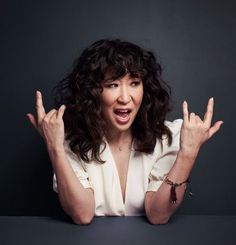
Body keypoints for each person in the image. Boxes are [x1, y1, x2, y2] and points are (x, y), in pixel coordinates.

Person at [26, 38, 223, 225]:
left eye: (134, 83)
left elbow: (158, 215)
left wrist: (187, 154)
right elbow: (82, 214)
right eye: (113, 85)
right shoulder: (70, 140)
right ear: (93, 92)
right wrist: (55, 148)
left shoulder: (167, 138)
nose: (125, 97)